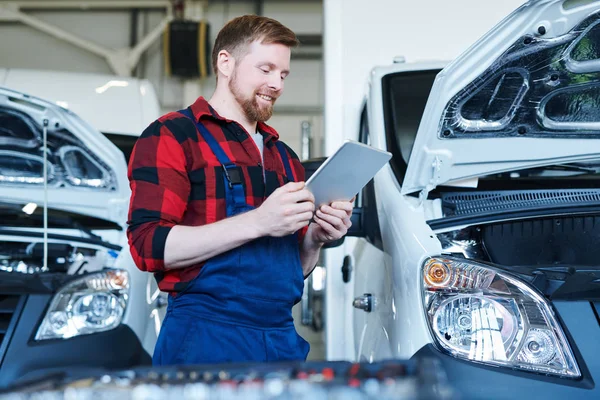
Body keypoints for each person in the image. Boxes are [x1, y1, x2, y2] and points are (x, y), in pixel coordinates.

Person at [126, 15, 353, 365]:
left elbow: (296, 268)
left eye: (283, 74)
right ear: (225, 62)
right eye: (266, 69)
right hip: (205, 339)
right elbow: (147, 246)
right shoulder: (174, 135)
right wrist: (258, 222)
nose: (276, 83)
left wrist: (316, 239)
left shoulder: (284, 157)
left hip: (281, 340)